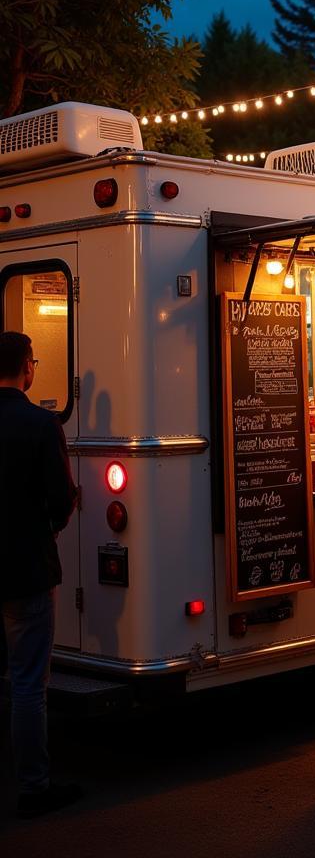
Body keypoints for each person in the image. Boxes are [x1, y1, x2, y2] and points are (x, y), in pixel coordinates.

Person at [0, 332, 80, 819]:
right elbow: (60, 497)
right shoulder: (39, 423)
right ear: (28, 368)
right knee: (28, 681)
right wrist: (49, 527)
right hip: (26, 566)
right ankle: (34, 786)